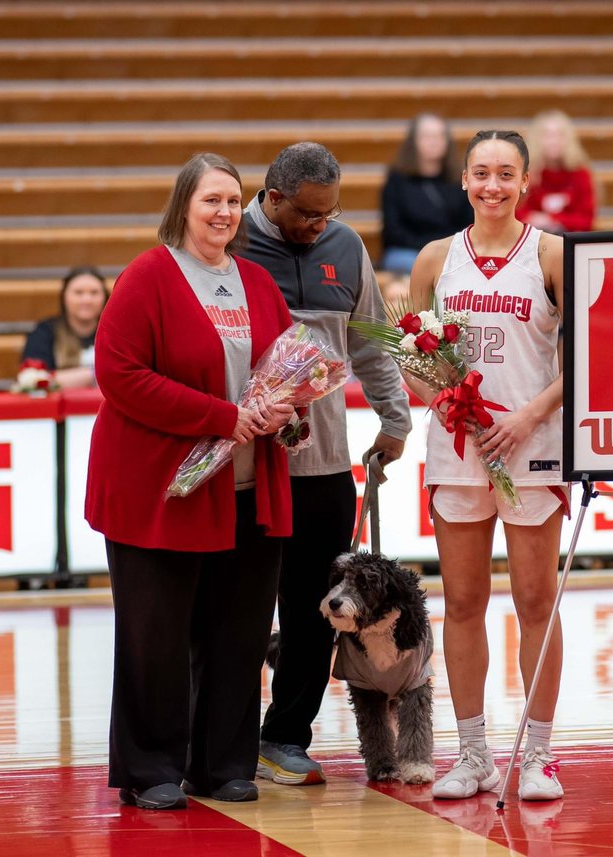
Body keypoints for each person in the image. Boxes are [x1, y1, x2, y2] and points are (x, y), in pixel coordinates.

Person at [86, 153, 297, 810]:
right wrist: (221, 416)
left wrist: (288, 409)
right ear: (183, 206)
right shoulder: (148, 276)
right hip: (160, 491)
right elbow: (120, 375)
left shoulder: (257, 281)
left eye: (233, 201)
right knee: (154, 637)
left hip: (246, 490)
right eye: (212, 200)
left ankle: (221, 764)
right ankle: (150, 768)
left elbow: (288, 368)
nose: (224, 213)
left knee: (238, 633)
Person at [236, 142, 413, 786]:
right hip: (247, 465)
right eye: (309, 214)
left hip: (327, 464)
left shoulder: (346, 245)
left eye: (329, 212)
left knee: (317, 611)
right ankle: (223, 738)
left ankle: (284, 737)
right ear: (273, 198)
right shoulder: (232, 242)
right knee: (238, 609)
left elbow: (371, 343)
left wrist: (396, 419)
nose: (320, 225)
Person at [408, 130, 567, 802]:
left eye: (506, 173)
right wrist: (443, 399)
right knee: (463, 602)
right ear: (464, 180)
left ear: (525, 181)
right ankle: (473, 753)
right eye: (481, 172)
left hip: (532, 445)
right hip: (458, 448)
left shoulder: (552, 253)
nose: (492, 185)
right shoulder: (436, 258)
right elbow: (411, 357)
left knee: (536, 601)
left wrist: (526, 417)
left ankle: (539, 756)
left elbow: (588, 357)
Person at [380, 113, 473, 279]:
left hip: (452, 251)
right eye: (427, 136)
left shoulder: (460, 180)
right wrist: (430, 250)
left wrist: (445, 248)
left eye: (439, 136)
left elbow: (468, 225)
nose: (434, 142)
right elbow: (393, 230)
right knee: (424, 267)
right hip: (407, 251)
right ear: (414, 141)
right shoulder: (397, 180)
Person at [20, 265, 109, 389]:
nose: (87, 300)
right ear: (64, 297)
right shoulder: (44, 332)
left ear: (105, 297)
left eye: (94, 293)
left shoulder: (115, 333)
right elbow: (32, 380)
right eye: (78, 292)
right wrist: (95, 374)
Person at [516, 109, 596, 233]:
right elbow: (518, 215)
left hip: (569, 239)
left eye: (559, 135)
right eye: (547, 135)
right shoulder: (527, 174)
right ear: (536, 139)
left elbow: (586, 221)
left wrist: (550, 219)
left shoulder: (581, 174)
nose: (553, 141)